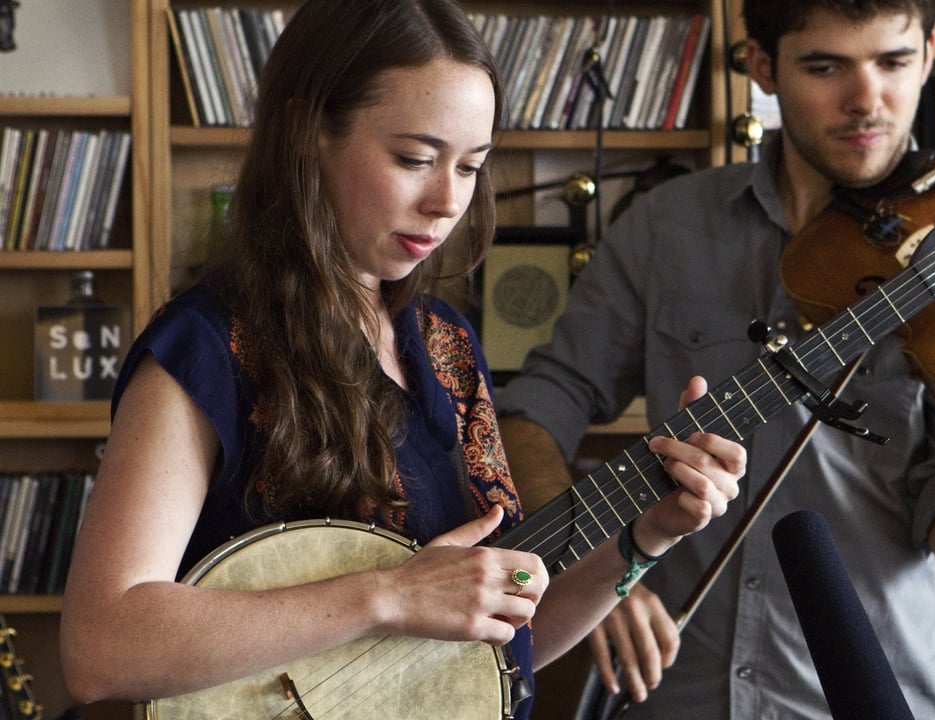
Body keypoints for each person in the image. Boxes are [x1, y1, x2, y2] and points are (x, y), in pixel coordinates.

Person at [57, 1, 745, 718]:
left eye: (471, 166)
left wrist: (646, 534)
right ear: (306, 131)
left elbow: (500, 640)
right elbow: (101, 648)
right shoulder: (203, 346)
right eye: (415, 158)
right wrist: (388, 595)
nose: (447, 201)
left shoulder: (445, 343)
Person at [495, 0, 935, 718]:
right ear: (763, 67)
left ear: (927, 54)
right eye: (826, 67)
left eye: (892, 62)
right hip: (678, 692)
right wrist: (592, 567)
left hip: (869, 693)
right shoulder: (664, 229)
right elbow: (535, 414)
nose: (867, 101)